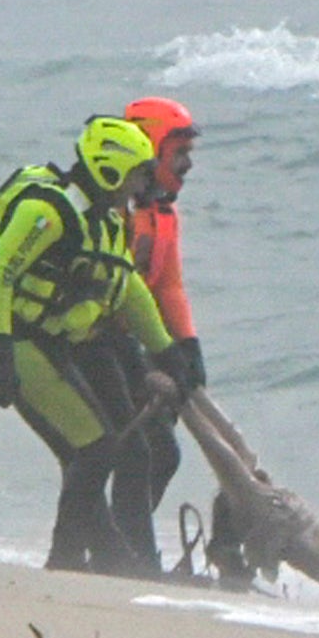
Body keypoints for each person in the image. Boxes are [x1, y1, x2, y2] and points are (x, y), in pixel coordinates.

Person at [0, 115, 195, 575]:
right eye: (136, 175)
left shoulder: (106, 221)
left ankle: (97, 558)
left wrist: (171, 352)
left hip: (52, 346)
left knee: (97, 448)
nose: (140, 186)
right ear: (111, 170)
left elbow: (127, 288)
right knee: (93, 449)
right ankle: (68, 560)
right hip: (17, 342)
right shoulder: (48, 212)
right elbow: (1, 274)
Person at [120, 95, 203, 549]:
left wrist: (188, 347)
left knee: (159, 454)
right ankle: (124, 554)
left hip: (144, 345)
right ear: (151, 148)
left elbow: (169, 286)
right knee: (148, 453)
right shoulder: (120, 214)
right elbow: (119, 292)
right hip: (106, 344)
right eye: (180, 153)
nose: (187, 165)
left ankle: (120, 548)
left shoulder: (163, 216)